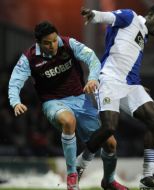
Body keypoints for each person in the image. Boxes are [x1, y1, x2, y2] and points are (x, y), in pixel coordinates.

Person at [8, 21, 128, 190]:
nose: (53, 45)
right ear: (38, 43)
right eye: (47, 43)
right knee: (68, 121)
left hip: (81, 100)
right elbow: (14, 83)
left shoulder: (68, 43)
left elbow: (92, 58)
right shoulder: (29, 58)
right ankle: (72, 176)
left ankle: (108, 181)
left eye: (54, 40)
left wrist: (93, 77)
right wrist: (15, 102)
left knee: (110, 144)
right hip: (53, 102)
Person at [80, 4, 154, 190]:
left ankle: (147, 177)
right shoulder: (131, 17)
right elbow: (111, 17)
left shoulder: (143, 36)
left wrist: (137, 83)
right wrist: (94, 14)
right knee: (109, 128)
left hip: (130, 85)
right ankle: (79, 165)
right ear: (152, 15)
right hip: (110, 80)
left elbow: (129, 60)